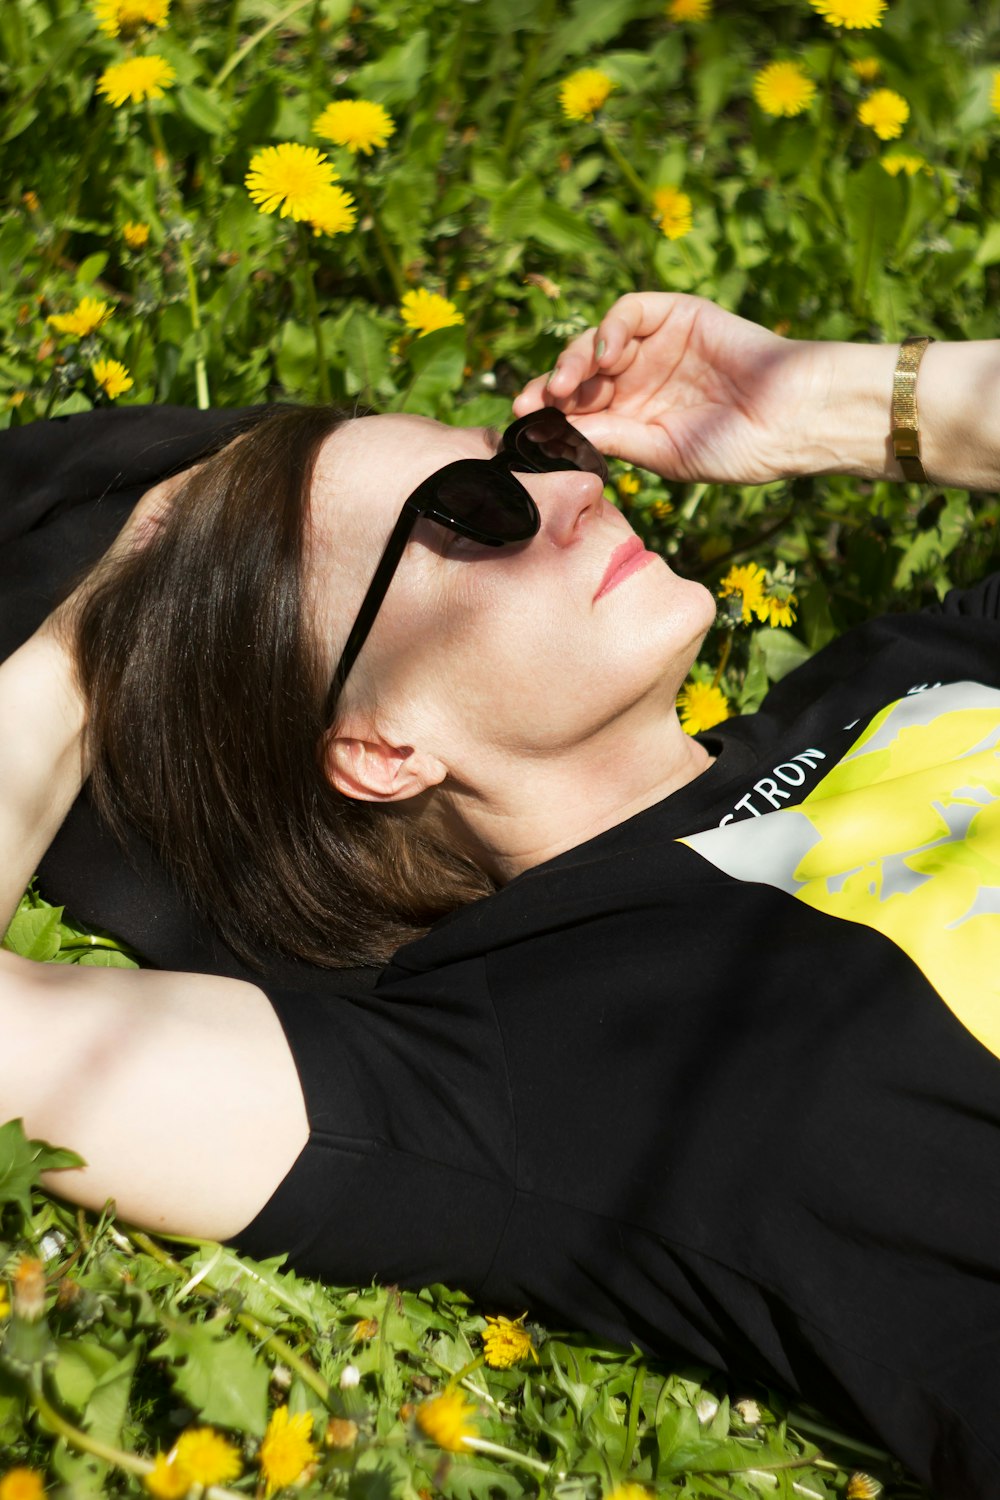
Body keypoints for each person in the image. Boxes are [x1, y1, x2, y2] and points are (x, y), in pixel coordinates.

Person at [2, 292, 1000, 1498]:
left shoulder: (903, 673)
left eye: (528, 457)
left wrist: (838, 402)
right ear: (380, 746)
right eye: (472, 515)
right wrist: (82, 643)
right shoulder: (502, 1055)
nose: (575, 491)